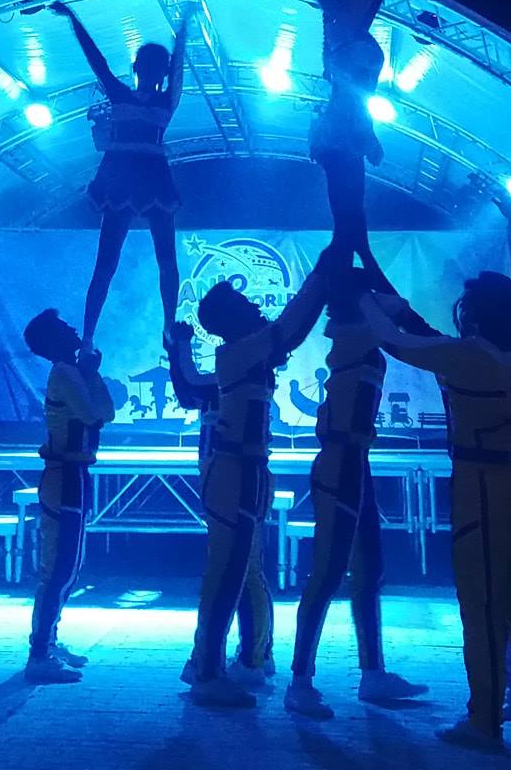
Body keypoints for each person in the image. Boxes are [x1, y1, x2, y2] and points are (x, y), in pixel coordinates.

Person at [356, 232, 511, 750]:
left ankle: (484, 718)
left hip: (480, 487)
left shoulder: (462, 355)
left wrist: (366, 303)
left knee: (482, 605)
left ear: (471, 314)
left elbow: (397, 342)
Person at [182, 243, 347, 709]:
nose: (255, 307)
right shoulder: (239, 353)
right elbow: (290, 328)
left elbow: (287, 332)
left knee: (239, 571)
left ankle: (232, 663)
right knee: (228, 573)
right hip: (234, 472)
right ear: (229, 321)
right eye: (244, 304)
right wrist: (320, 275)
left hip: (245, 470)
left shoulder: (245, 354)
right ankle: (209, 671)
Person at [284, 262, 425, 719]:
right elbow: (399, 309)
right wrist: (365, 289)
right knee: (328, 573)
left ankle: (372, 673)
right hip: (341, 461)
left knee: (369, 569)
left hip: (353, 461)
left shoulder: (356, 335)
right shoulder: (356, 335)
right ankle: (300, 681)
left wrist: (360, 288)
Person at [50, 0, 192, 349]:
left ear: (159, 72)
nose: (152, 72)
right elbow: (95, 60)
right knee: (108, 263)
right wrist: (73, 19)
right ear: (138, 67)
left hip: (146, 178)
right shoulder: (122, 94)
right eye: (148, 66)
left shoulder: (164, 100)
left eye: (157, 67)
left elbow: (177, 66)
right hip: (123, 178)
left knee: (162, 260)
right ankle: (89, 334)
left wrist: (184, 27)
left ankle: (167, 326)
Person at [167, 322, 277, 691]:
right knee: (243, 569)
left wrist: (179, 346)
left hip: (232, 475)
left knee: (237, 570)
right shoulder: (244, 369)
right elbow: (190, 391)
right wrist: (176, 349)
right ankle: (252, 654)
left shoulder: (238, 371)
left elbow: (189, 386)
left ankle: (244, 658)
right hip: (231, 474)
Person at [21, 309, 117, 684]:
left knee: (63, 568)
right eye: (63, 327)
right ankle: (39, 653)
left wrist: (90, 374)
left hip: (70, 475)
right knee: (61, 569)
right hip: (66, 478)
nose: (73, 329)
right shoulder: (65, 373)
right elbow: (96, 415)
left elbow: (104, 412)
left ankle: (48, 641)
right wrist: (91, 374)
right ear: (53, 340)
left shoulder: (69, 372)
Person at [309, 0, 398, 266]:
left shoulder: (343, 34)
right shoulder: (341, 34)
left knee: (348, 209)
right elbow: (352, 94)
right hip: (343, 125)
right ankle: (354, 260)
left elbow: (354, 93)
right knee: (347, 209)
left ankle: (355, 259)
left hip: (344, 125)